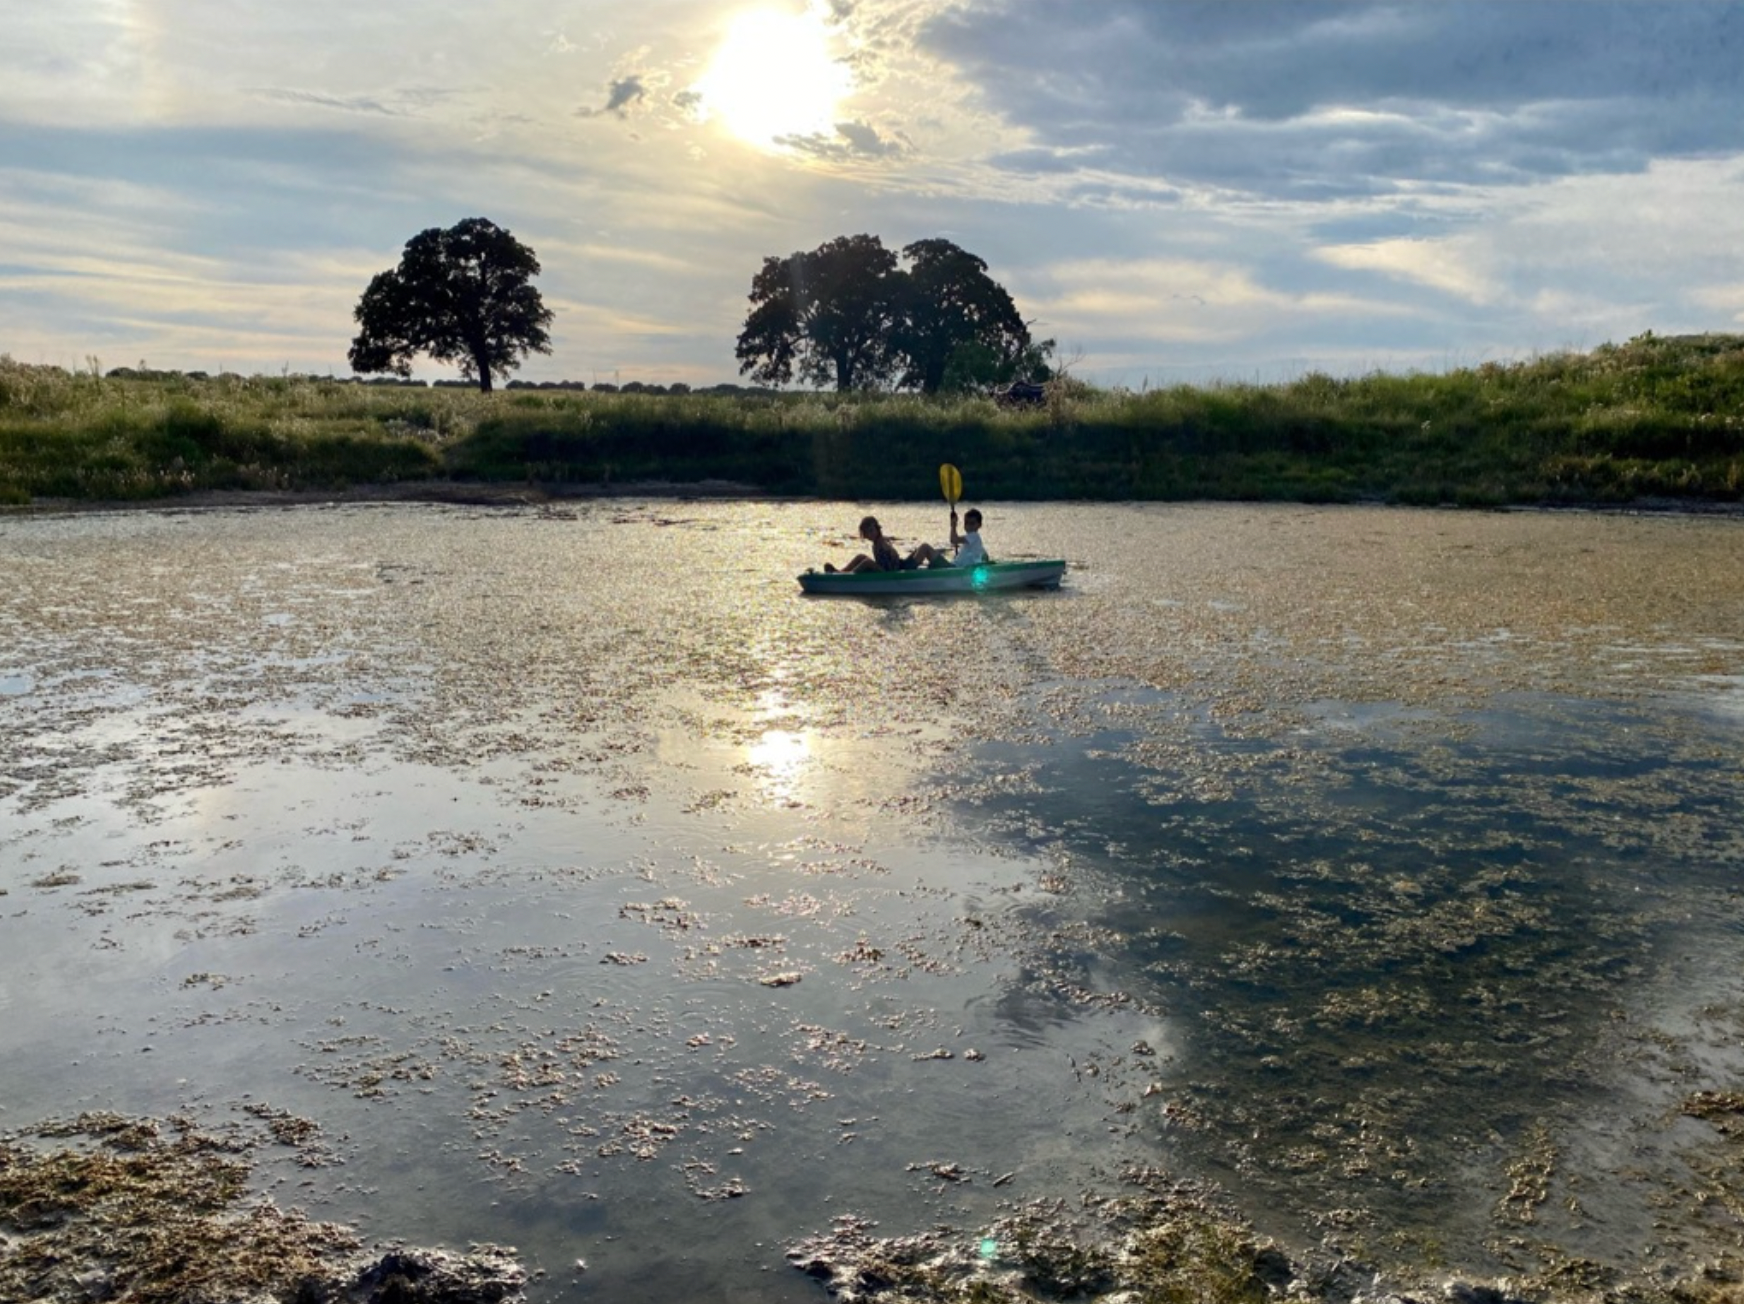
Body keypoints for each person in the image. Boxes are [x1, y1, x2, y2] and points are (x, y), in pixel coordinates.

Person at [824, 515, 944, 573]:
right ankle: (840, 572)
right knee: (861, 556)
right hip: (887, 568)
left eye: (871, 530)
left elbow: (891, 560)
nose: (869, 534)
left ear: (877, 529)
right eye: (867, 532)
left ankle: (849, 576)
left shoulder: (881, 542)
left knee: (924, 546)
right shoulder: (877, 542)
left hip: (898, 568)